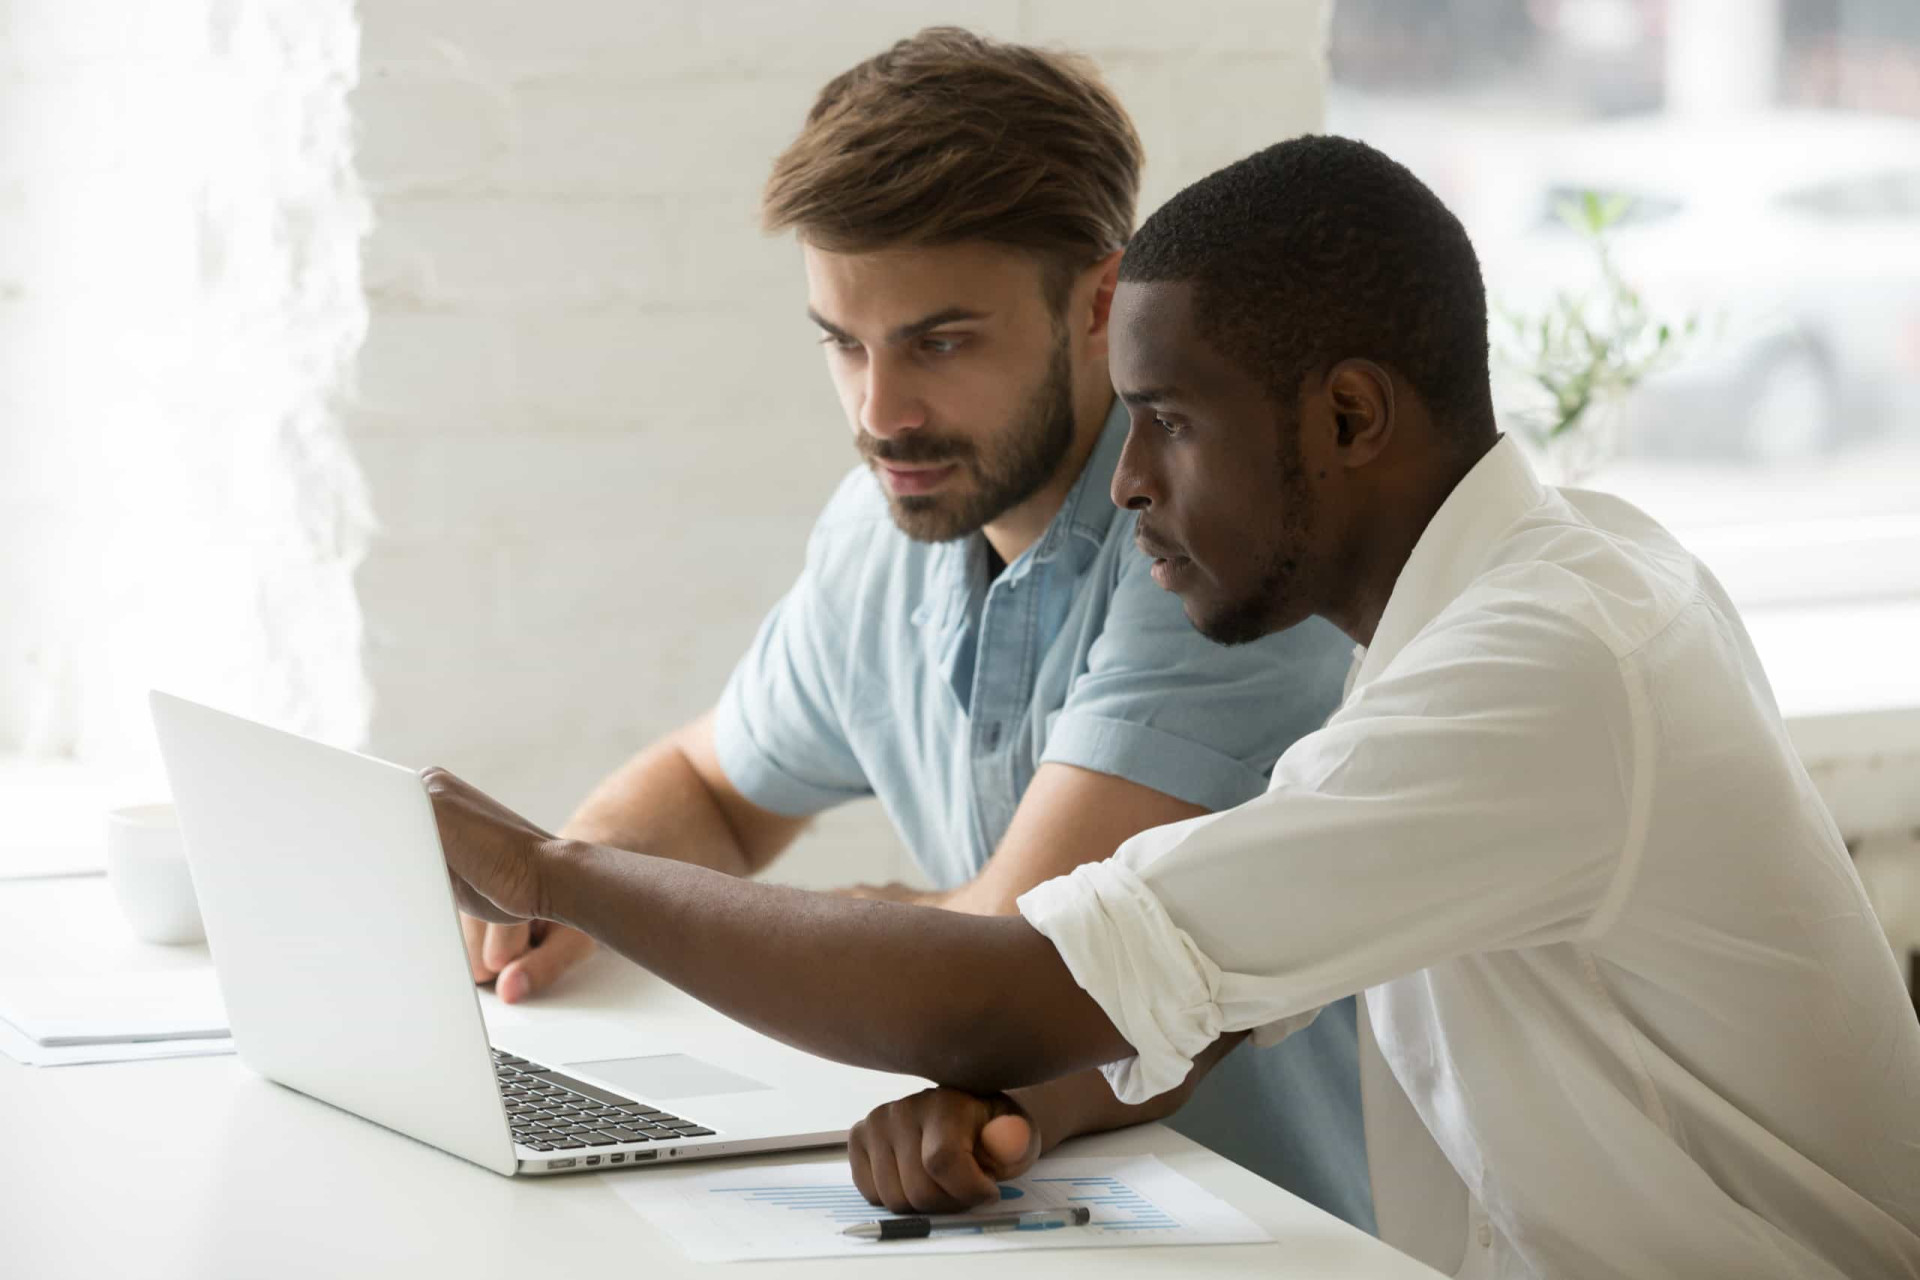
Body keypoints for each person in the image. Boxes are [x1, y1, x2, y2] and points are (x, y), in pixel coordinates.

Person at [427, 133, 1920, 1278]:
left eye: (1172, 425)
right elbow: (1204, 1001)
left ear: (1347, 418)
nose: (1129, 483)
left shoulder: (1551, 667)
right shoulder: (1479, 617)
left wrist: (557, 875)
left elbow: (1007, 977)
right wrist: (1025, 1106)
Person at [454, 29, 1371, 1226]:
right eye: (844, 343)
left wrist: (601, 886)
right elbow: (714, 789)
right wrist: (555, 905)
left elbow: (1020, 959)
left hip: (1270, 1229)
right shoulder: (885, 528)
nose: (882, 412)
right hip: (1027, 1206)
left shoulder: (1214, 555)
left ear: (1103, 303)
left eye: (939, 342)